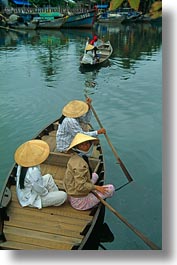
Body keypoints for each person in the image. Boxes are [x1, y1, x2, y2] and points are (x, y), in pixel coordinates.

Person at [63, 133, 115, 210]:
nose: (86, 146)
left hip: (71, 191)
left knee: (95, 175)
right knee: (111, 189)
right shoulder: (80, 165)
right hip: (79, 201)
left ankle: (91, 189)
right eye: (82, 145)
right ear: (77, 147)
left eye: (87, 143)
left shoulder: (76, 157)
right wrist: (96, 187)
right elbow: (80, 186)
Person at [14, 139, 67, 209]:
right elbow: (39, 189)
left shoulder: (22, 164)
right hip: (31, 199)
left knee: (48, 177)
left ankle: (54, 196)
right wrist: (46, 193)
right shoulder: (33, 171)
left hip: (26, 192)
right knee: (63, 195)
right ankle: (54, 198)